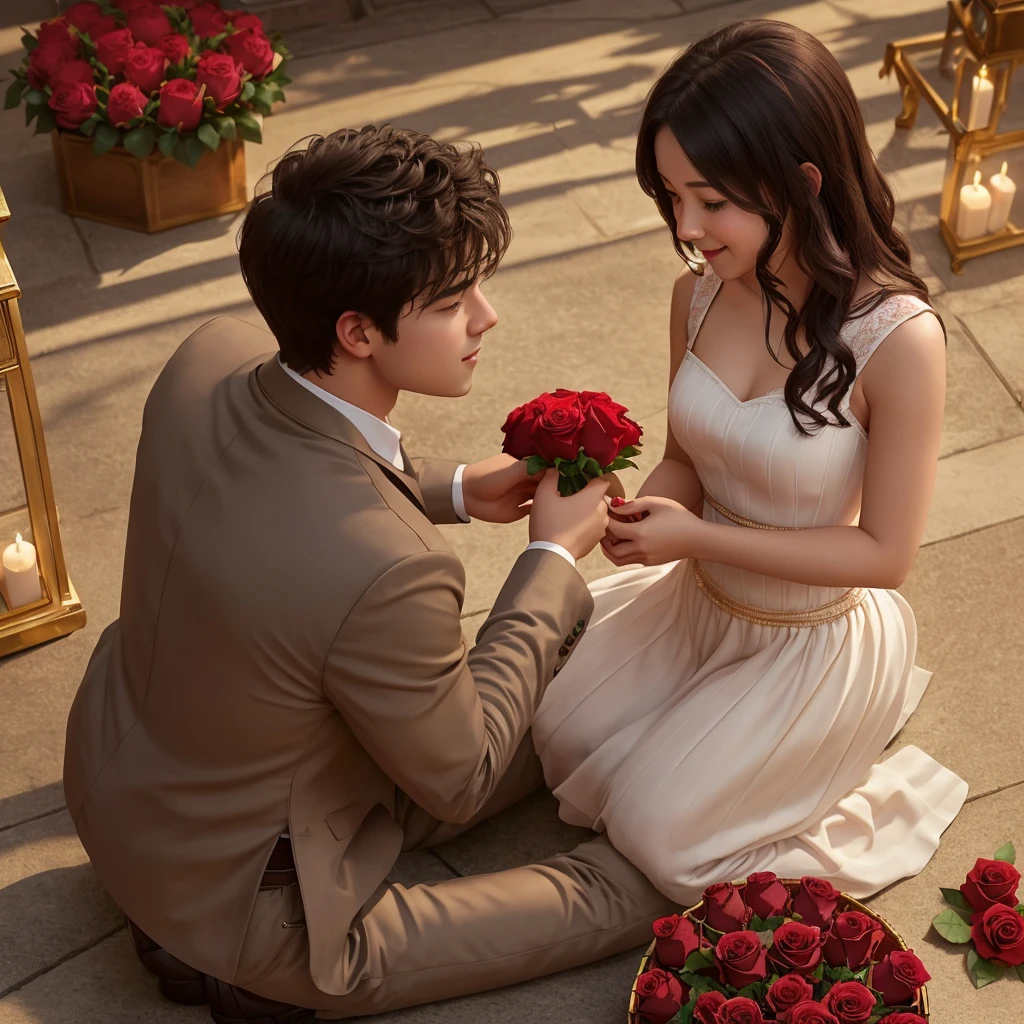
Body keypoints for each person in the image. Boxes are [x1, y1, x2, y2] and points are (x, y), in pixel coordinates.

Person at [62, 125, 670, 1023]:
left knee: (576, 702)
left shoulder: (210, 358)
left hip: (119, 779)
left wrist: (458, 489)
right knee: (633, 889)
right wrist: (551, 555)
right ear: (356, 329)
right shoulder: (389, 570)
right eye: (456, 298)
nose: (487, 317)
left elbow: (285, 487)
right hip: (259, 913)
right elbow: (459, 777)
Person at [533, 20, 969, 906]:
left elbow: (886, 556)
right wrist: (646, 515)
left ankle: (835, 758)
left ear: (802, 183)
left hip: (815, 634)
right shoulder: (695, 294)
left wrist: (697, 536)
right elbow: (687, 455)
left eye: (711, 200)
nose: (688, 229)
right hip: (695, 598)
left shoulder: (899, 341)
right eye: (671, 196)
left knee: (657, 833)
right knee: (560, 735)